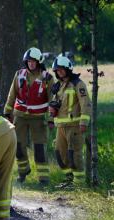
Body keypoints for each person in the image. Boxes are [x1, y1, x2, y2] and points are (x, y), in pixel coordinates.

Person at [3, 47, 54, 185]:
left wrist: (50, 119)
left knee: (39, 149)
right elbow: (11, 94)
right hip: (19, 116)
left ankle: (44, 179)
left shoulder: (47, 78)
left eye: (33, 61)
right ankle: (23, 172)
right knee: (18, 146)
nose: (31, 64)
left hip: (38, 118)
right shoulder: (19, 74)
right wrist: (7, 113)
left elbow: (52, 100)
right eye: (29, 61)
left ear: (39, 62)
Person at [49, 55, 91, 188]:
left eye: (61, 69)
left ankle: (79, 184)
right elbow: (54, 105)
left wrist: (84, 122)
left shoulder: (78, 84)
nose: (59, 72)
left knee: (75, 154)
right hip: (60, 127)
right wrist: (51, 118)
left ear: (68, 69)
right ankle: (69, 179)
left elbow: (86, 103)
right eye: (57, 70)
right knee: (60, 153)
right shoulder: (58, 86)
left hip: (75, 126)